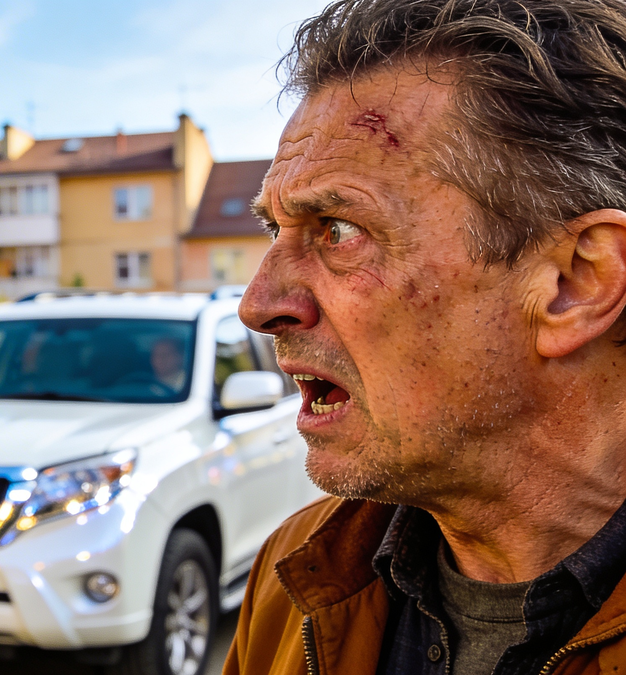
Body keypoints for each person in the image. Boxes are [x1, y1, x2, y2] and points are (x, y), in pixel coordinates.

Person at [227, 1, 626, 673]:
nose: (258, 305)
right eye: (275, 230)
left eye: (338, 230)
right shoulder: (294, 580)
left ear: (575, 282)